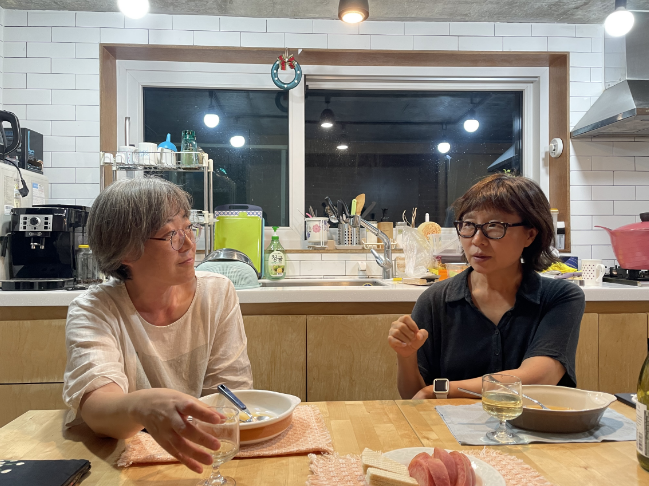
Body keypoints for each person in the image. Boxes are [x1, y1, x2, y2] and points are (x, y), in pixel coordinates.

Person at [62, 177, 253, 473]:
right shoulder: (95, 309)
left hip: (200, 453)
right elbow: (97, 409)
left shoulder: (217, 292)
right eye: (171, 234)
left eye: (188, 227)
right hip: (122, 460)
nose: (189, 243)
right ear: (126, 250)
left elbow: (229, 393)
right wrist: (142, 406)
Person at [388, 173, 585, 400]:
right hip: (448, 423)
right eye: (469, 225)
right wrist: (406, 355)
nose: (477, 240)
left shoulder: (560, 297)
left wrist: (439, 389)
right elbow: (413, 398)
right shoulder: (435, 300)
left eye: (494, 226)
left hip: (533, 421)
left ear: (530, 235)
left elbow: (539, 378)